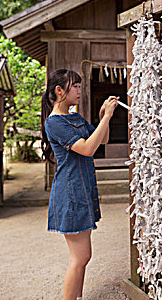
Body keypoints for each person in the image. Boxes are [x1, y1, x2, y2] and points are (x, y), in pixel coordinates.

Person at [41, 69, 118, 300]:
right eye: (75, 86)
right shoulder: (54, 123)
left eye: (79, 85)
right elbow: (86, 149)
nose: (79, 90)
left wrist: (105, 115)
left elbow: (100, 140)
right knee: (80, 257)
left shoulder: (74, 117)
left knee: (83, 256)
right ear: (59, 91)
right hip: (70, 192)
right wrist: (104, 118)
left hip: (82, 189)